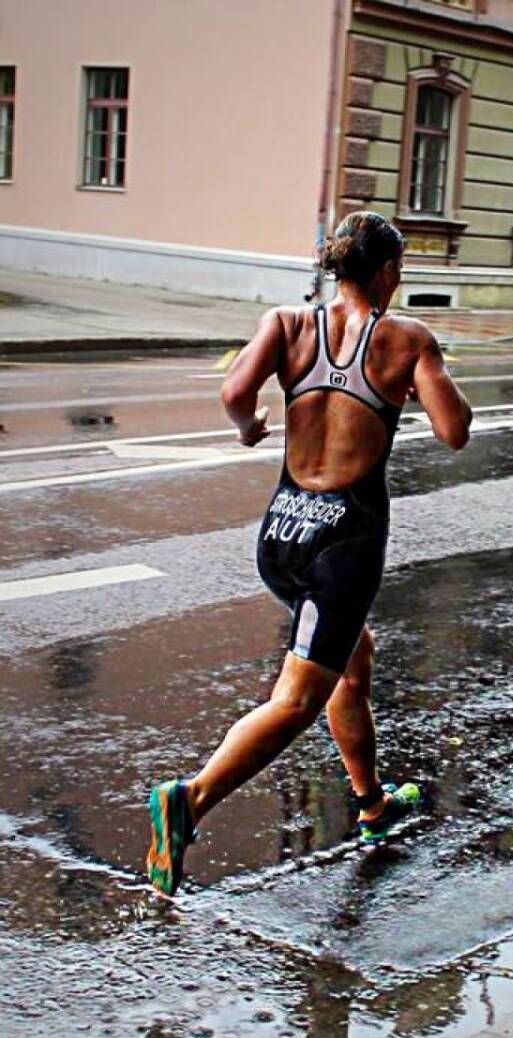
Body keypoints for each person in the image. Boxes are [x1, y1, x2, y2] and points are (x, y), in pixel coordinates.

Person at [145, 211, 474, 896]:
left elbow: (236, 392)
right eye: (400, 267)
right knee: (297, 700)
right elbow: (455, 432)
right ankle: (191, 799)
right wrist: (420, 377)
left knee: (353, 659)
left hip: (283, 532)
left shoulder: (287, 324)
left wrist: (250, 429)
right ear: (386, 272)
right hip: (343, 545)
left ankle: (373, 805)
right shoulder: (407, 338)